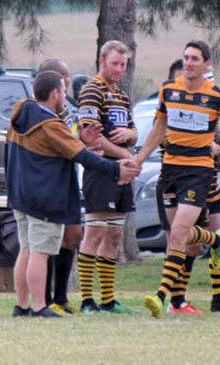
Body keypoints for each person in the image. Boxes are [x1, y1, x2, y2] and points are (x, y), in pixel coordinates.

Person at [9, 70, 138, 318]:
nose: (65, 95)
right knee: (40, 252)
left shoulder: (21, 110)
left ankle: (22, 305)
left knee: (26, 250)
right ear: (55, 93)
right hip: (43, 197)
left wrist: (81, 139)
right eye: (62, 90)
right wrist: (116, 168)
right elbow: (83, 158)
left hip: (21, 194)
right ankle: (39, 307)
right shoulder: (50, 125)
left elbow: (62, 148)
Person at [137, 40, 220, 318]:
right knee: (182, 240)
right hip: (169, 172)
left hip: (198, 173)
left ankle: (161, 297)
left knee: (178, 233)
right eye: (186, 57)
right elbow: (158, 129)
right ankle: (213, 242)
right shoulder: (168, 90)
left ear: (207, 64)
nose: (188, 62)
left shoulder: (218, 96)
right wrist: (139, 159)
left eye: (195, 59)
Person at [75, 40, 138, 314]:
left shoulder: (121, 94)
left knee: (114, 236)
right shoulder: (92, 89)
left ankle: (109, 300)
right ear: (102, 61)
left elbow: (134, 129)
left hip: (121, 171)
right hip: (101, 170)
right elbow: (91, 133)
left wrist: (130, 136)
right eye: (114, 63)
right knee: (95, 232)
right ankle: (87, 300)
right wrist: (124, 154)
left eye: (123, 64)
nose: (119, 69)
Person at [38, 58, 100, 316]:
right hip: (49, 182)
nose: (68, 81)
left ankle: (62, 296)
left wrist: (84, 143)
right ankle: (46, 299)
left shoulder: (69, 109)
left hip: (70, 179)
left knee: (73, 235)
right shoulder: (38, 111)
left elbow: (73, 143)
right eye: (65, 77)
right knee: (48, 241)